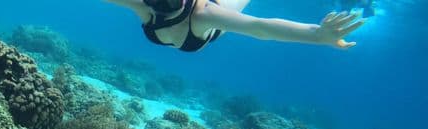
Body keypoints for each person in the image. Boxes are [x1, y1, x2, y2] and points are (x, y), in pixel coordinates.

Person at [105, 0, 366, 52]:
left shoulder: (204, 14)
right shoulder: (143, 7)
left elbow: (260, 27)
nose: (159, 3)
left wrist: (319, 35)